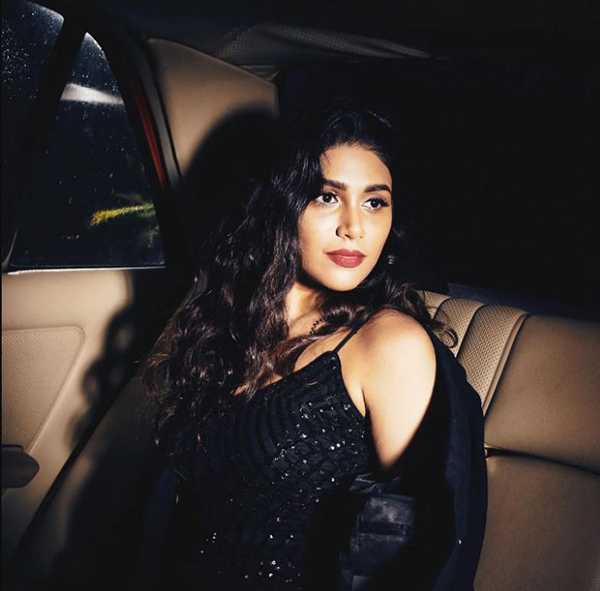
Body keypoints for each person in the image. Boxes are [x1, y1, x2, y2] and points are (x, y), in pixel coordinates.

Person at [142, 100, 487, 590]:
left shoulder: (389, 344)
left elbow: (418, 556)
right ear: (277, 205)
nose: (354, 226)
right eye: (327, 196)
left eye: (374, 202)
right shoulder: (225, 328)